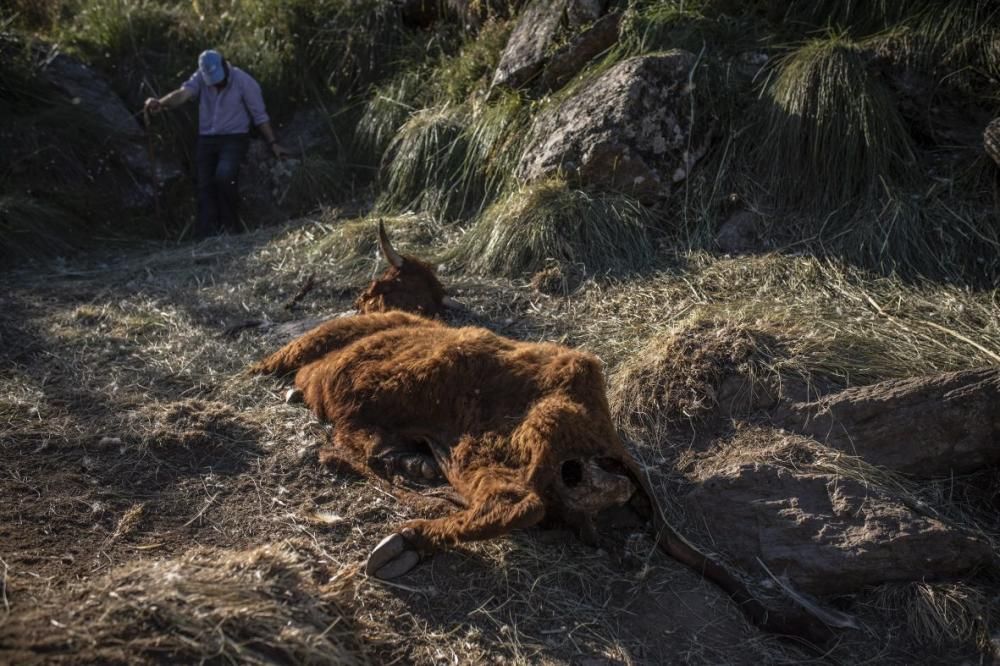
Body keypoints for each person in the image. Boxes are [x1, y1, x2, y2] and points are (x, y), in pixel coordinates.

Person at [144, 49, 289, 236]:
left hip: (234, 137)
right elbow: (183, 94)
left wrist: (273, 142)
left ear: (225, 65)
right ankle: (207, 235)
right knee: (204, 184)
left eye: (220, 80)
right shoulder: (200, 77)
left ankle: (231, 228)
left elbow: (259, 115)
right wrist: (161, 103)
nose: (217, 84)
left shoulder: (244, 81)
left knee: (224, 175)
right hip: (207, 138)